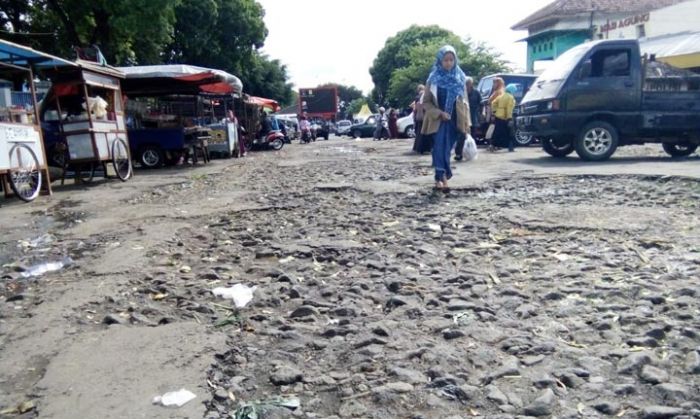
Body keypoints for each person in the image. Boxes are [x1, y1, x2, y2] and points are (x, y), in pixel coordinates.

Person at [421, 45, 471, 190]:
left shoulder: (460, 78)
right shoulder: (433, 79)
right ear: (440, 61)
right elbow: (426, 102)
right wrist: (439, 113)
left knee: (447, 150)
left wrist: (467, 123)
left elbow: (464, 102)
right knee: (438, 148)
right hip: (438, 121)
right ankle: (441, 177)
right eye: (445, 60)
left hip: (454, 121)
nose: (448, 63)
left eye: (451, 60)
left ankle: (441, 175)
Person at [455, 77, 483, 161]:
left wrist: (481, 113)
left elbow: (481, 104)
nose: (467, 85)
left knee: (472, 135)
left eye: (469, 83)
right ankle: (459, 154)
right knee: (462, 135)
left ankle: (470, 153)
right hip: (463, 116)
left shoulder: (476, 93)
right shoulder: (461, 93)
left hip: (473, 116)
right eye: (466, 83)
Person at [491, 83, 517, 152]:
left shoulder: (501, 95)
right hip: (505, 117)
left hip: (498, 116)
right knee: (510, 133)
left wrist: (494, 111)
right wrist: (509, 118)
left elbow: (493, 103)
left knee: (497, 132)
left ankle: (493, 145)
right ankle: (511, 147)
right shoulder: (510, 97)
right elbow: (509, 109)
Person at [412, 85, 428, 153]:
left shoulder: (416, 98)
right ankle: (424, 148)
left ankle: (417, 147)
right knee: (424, 132)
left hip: (418, 117)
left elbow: (415, 109)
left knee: (418, 132)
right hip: (424, 116)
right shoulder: (425, 96)